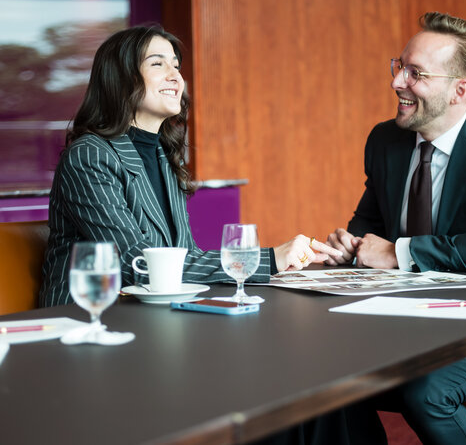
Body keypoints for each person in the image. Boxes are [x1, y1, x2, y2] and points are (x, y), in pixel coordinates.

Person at [325, 11, 466, 444]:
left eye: (416, 73)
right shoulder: (385, 140)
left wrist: (398, 253)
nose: (397, 82)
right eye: (399, 66)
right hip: (392, 316)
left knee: (425, 391)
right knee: (319, 369)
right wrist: (348, 246)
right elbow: (368, 228)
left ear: (460, 90)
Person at [40, 24, 341, 307]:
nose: (175, 76)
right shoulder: (90, 155)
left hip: (152, 313)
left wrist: (267, 263)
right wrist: (269, 259)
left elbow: (186, 256)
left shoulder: (163, 155)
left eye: (176, 65)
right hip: (88, 319)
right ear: (120, 78)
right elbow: (136, 263)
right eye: (158, 64)